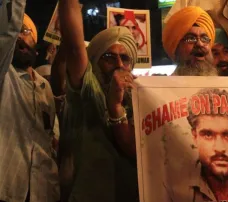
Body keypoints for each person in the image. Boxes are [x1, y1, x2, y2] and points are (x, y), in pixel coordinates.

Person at [58, 0, 139, 200]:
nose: (119, 64)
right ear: (94, 61)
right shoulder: (88, 91)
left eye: (125, 58)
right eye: (109, 57)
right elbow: (75, 48)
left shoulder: (139, 100)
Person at [0, 1, 59, 201]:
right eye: (17, 31)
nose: (19, 37)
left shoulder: (45, 87)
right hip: (8, 189)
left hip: (43, 191)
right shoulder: (5, 76)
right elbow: (6, 35)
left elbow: (50, 136)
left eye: (25, 31)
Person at [162, 6, 218, 76]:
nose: (200, 44)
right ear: (176, 48)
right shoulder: (166, 86)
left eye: (204, 39)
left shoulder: (224, 85)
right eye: (191, 38)